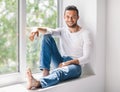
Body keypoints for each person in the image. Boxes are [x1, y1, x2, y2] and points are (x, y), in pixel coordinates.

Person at [26, 5, 92, 90]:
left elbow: (87, 58)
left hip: (75, 66)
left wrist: (67, 63)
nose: (70, 19)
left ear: (78, 17)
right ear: (64, 17)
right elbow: (49, 31)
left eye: (73, 17)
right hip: (61, 61)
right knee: (47, 37)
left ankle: (37, 83)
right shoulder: (63, 30)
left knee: (60, 72)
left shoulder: (85, 33)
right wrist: (37, 29)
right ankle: (45, 72)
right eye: (67, 17)